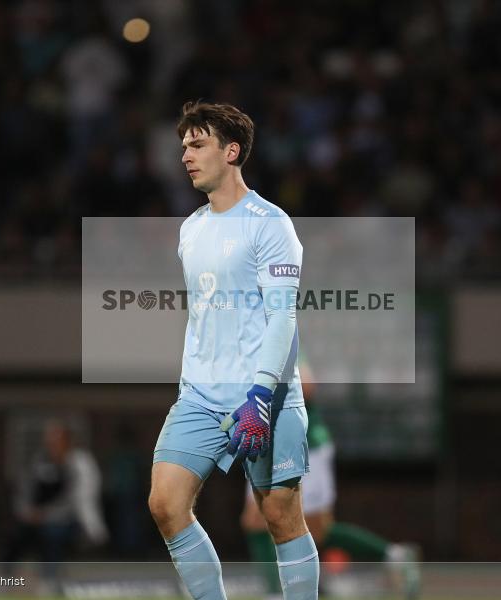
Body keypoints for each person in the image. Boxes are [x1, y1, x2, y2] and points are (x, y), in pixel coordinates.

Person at [148, 101, 317, 600]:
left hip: (266, 394)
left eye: (197, 144)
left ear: (232, 151)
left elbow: (282, 316)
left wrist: (262, 394)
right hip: (200, 395)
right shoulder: (191, 229)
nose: (186, 155)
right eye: (184, 146)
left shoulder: (271, 224)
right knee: (165, 504)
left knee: (280, 516)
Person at [241, 364, 422, 599]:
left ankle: (393, 555)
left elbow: (307, 386)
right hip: (270, 443)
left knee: (318, 531)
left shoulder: (278, 341)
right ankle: (276, 592)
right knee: (256, 520)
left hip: (303, 446)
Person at [2, 420, 108, 583]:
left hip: (74, 520)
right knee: (15, 535)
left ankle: (50, 580)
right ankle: (5, 579)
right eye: (48, 441)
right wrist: (26, 511)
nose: (50, 444)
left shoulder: (80, 464)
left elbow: (77, 499)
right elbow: (26, 489)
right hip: (38, 517)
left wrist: (45, 514)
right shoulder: (40, 461)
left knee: (52, 534)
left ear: (66, 442)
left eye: (55, 441)